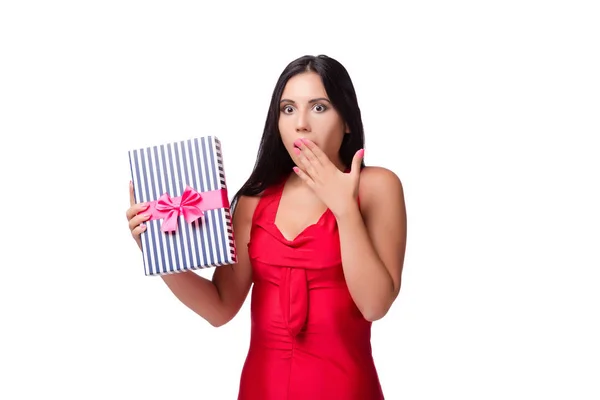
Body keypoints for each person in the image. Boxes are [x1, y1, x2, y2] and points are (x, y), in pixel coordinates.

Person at [126, 54, 407, 400]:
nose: (301, 123)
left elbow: (375, 305)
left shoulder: (378, 187)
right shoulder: (254, 200)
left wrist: (344, 208)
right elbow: (220, 308)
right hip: (263, 388)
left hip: (345, 389)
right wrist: (158, 252)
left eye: (319, 108)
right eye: (288, 109)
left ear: (347, 120)